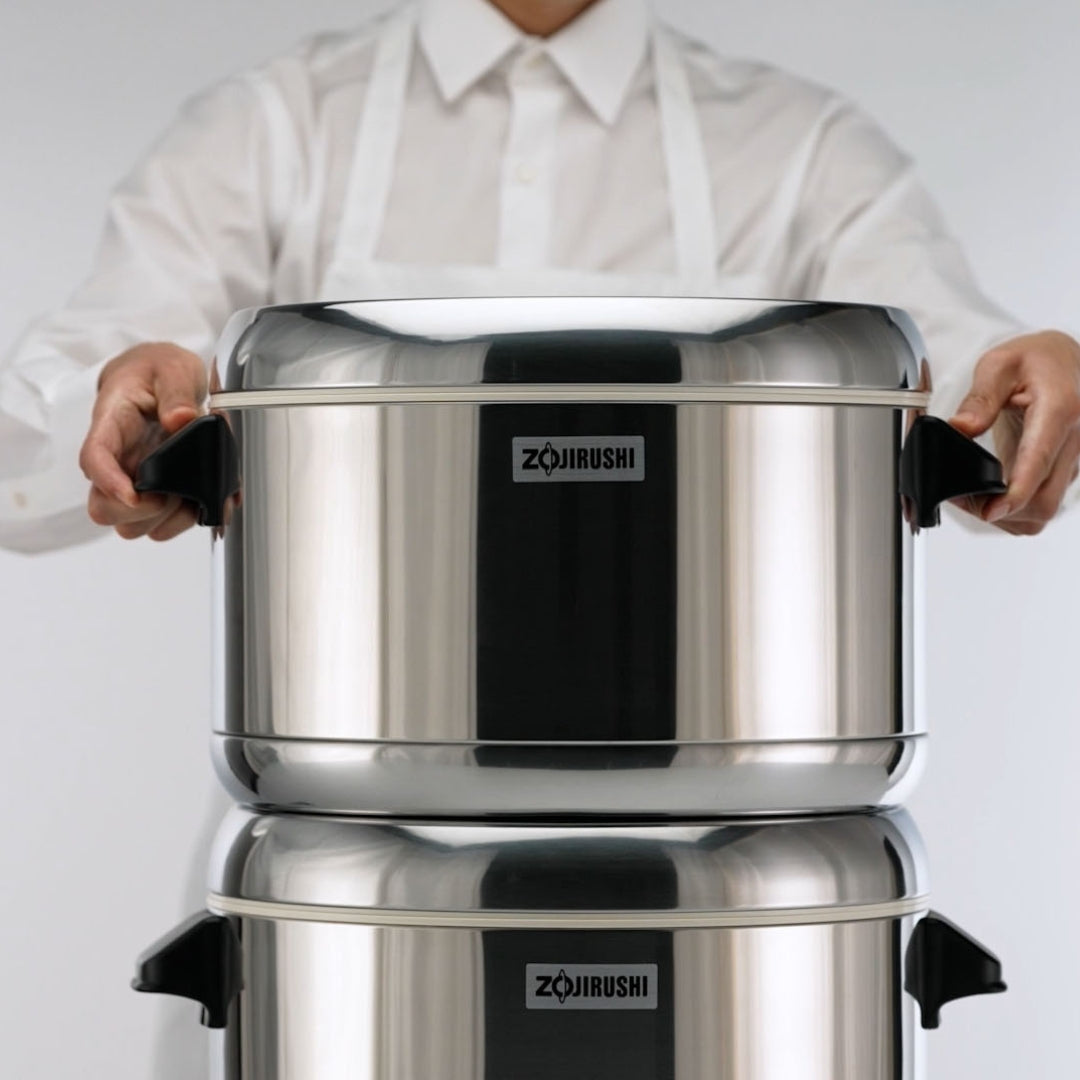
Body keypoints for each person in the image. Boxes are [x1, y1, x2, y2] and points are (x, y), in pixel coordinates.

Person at [0, 0, 1077, 1074]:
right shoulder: (275, 130)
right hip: (347, 878)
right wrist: (125, 421)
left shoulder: (800, 147)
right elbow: (47, 431)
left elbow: (969, 386)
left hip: (759, 891)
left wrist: (1032, 397)